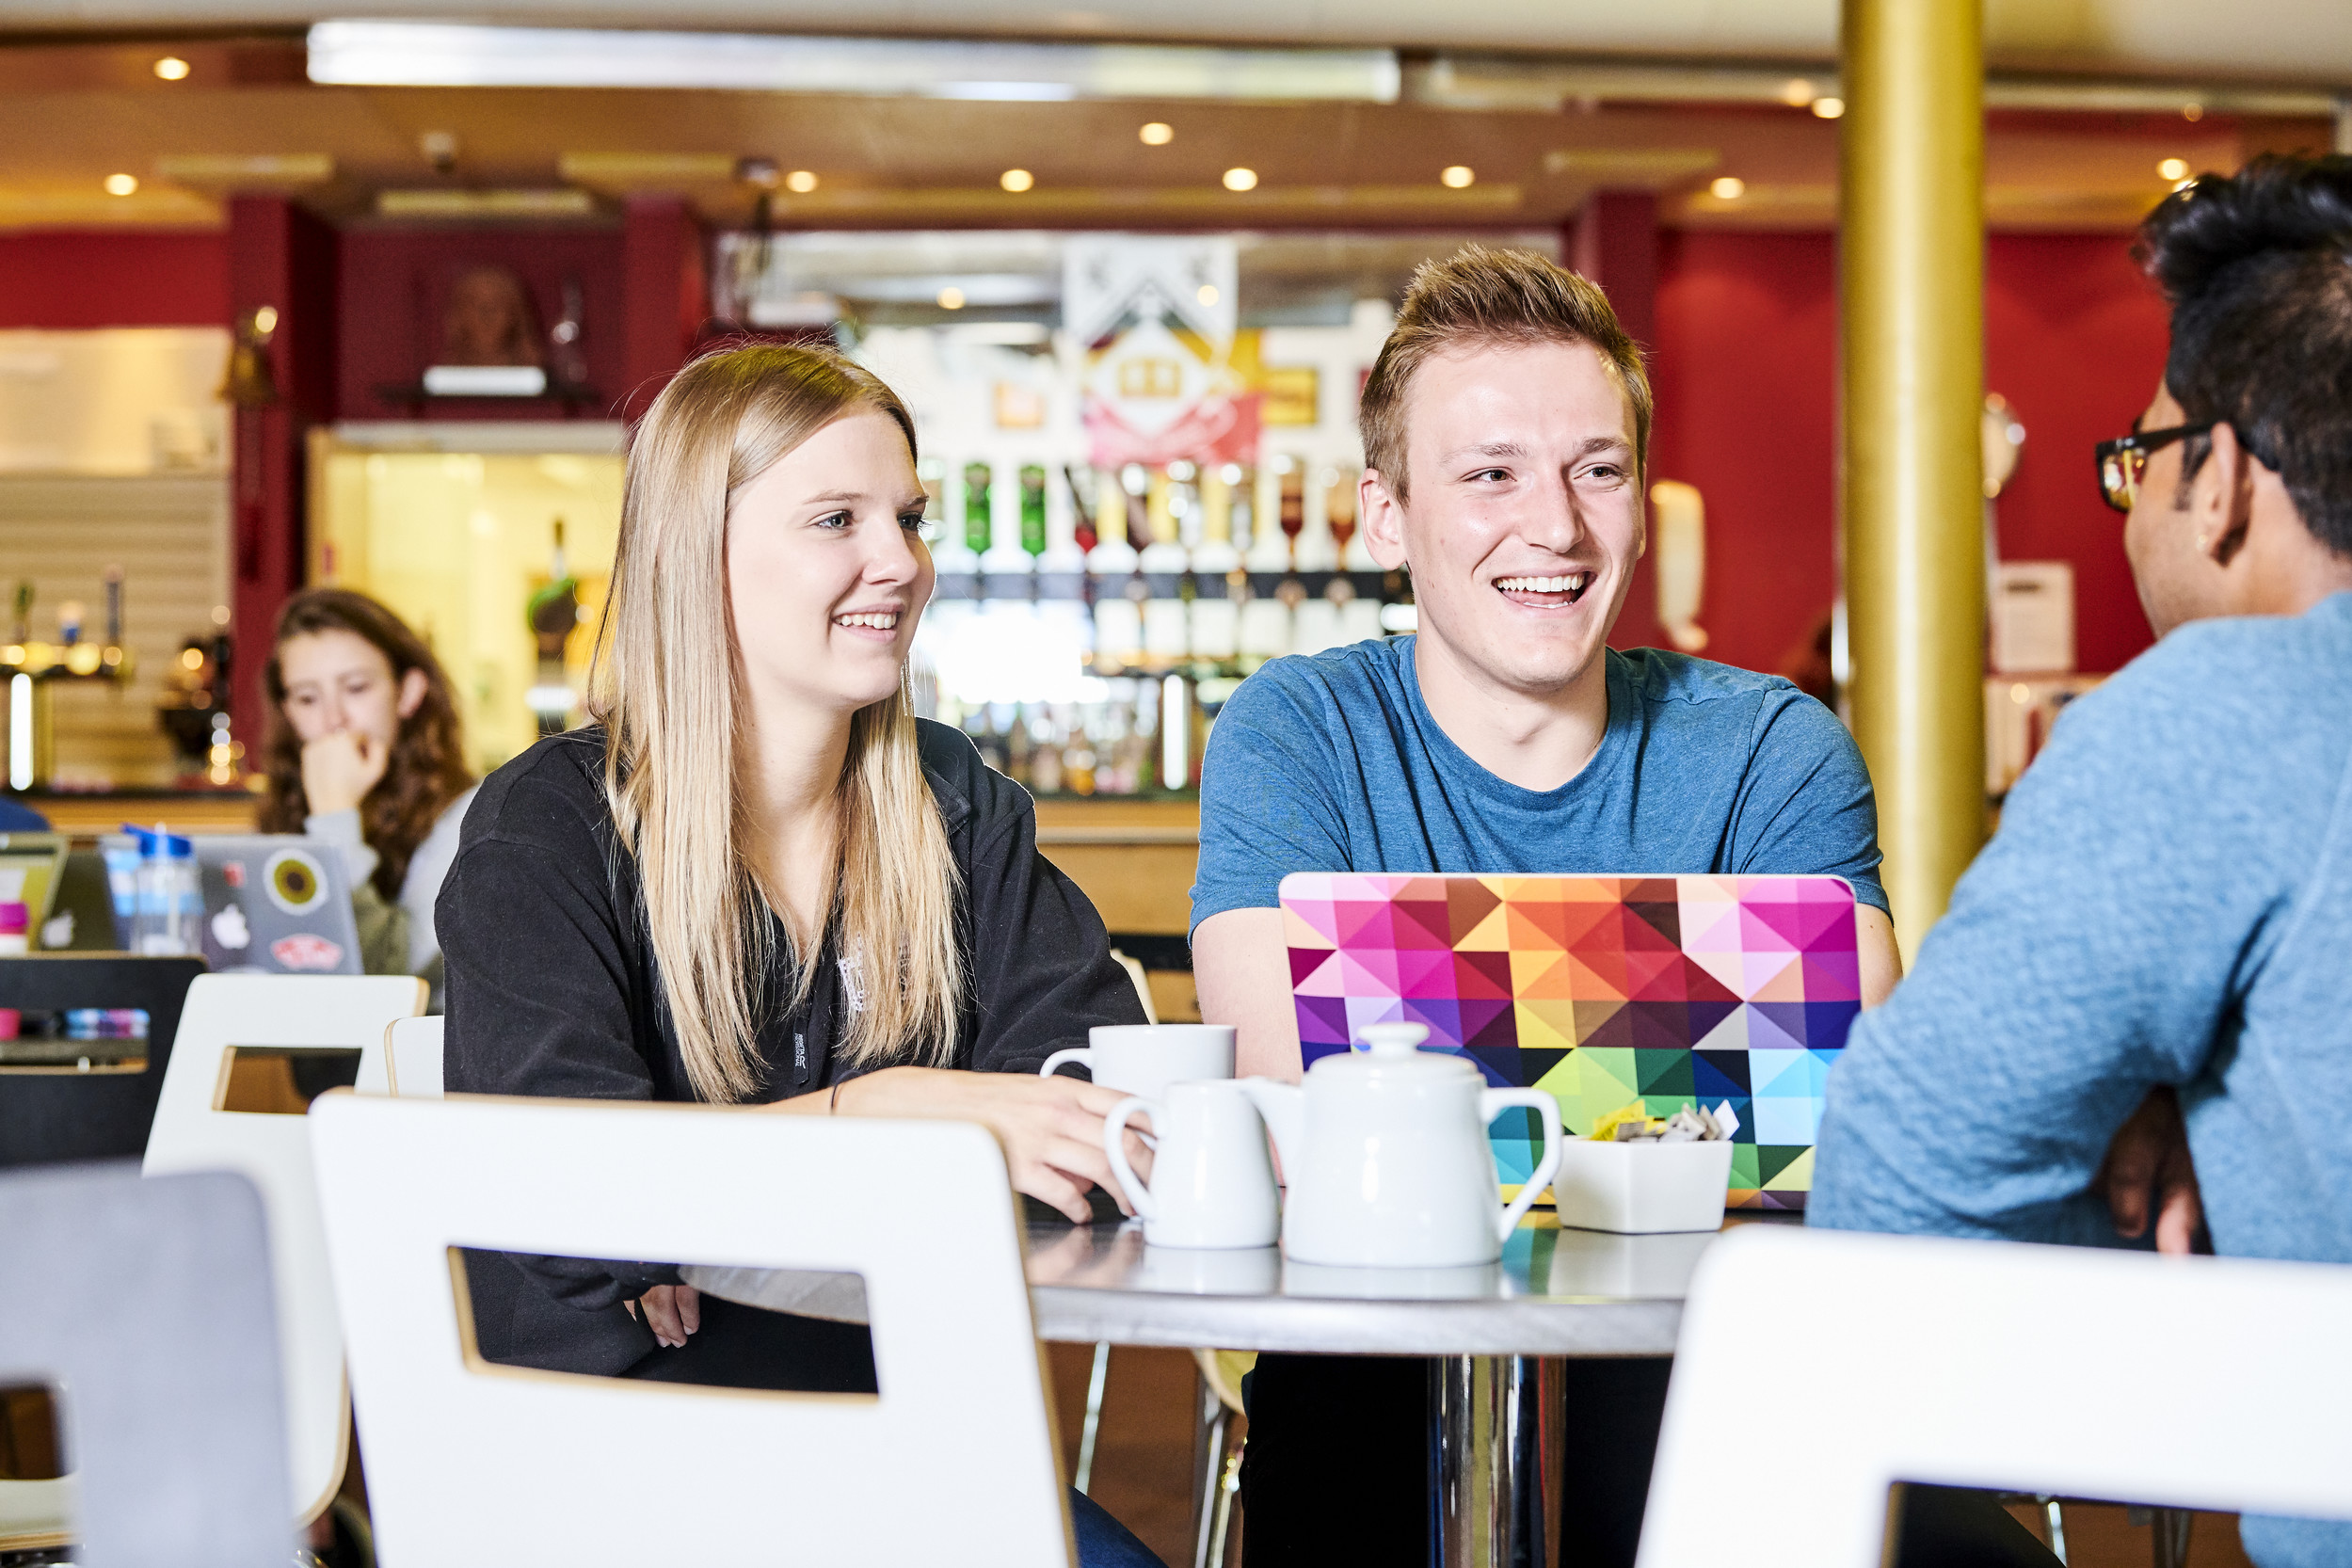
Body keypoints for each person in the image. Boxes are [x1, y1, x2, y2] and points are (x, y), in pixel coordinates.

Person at [1189, 246, 1899, 1568]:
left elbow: (1840, 1118)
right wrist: (1666, 1096)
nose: (1557, 527)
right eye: (1489, 473)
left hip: (1720, 1374)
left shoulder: (1773, 751)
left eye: (1595, 467)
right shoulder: (1297, 733)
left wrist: (1448, 1070)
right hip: (1379, 1375)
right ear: (1386, 516)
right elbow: (1291, 1097)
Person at [436, 344, 1164, 1567]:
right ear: (697, 557)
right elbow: (557, 1185)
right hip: (609, 1472)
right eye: (837, 518)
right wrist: (881, 1114)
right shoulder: (547, 826)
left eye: (908, 518)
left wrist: (694, 1212)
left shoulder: (950, 801)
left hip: (903, 1450)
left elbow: (1088, 1090)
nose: (902, 562)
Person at [1810, 154, 2352, 1568]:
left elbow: (1893, 1204)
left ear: (2220, 480)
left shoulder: (2218, 713)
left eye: (2138, 456)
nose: (2128, 502)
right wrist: (2218, 1085)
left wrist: (2189, 1158)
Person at [259, 587, 476, 993]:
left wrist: (334, 817)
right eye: (307, 698)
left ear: (408, 693)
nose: (333, 719)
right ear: (288, 712)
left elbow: (383, 982)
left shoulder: (471, 816)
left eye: (356, 688)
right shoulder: (284, 804)